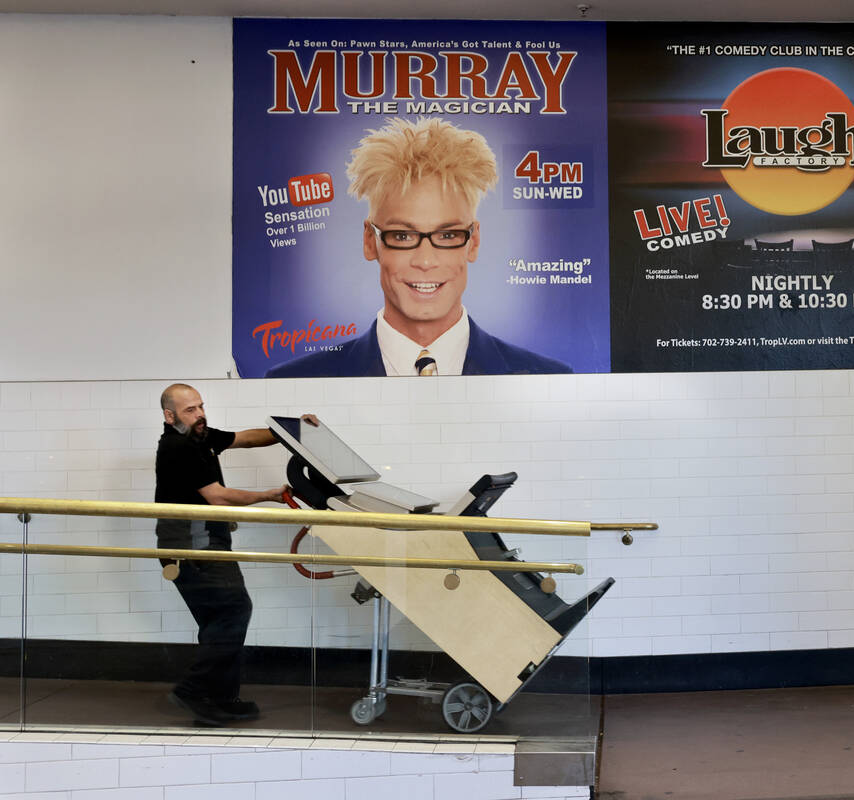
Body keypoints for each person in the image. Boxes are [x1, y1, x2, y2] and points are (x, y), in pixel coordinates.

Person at [265, 117, 570, 377]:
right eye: (402, 236)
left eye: (447, 236)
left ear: (473, 242)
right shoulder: (294, 381)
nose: (425, 261)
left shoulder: (551, 380)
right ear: (371, 241)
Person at [154, 382, 315, 726]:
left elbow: (245, 438)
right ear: (170, 416)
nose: (199, 415)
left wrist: (291, 431)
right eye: (189, 410)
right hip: (190, 547)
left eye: (200, 407)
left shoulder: (200, 435)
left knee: (220, 621)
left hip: (206, 541)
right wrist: (269, 495)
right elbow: (218, 497)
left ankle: (221, 699)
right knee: (233, 610)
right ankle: (193, 691)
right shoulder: (178, 447)